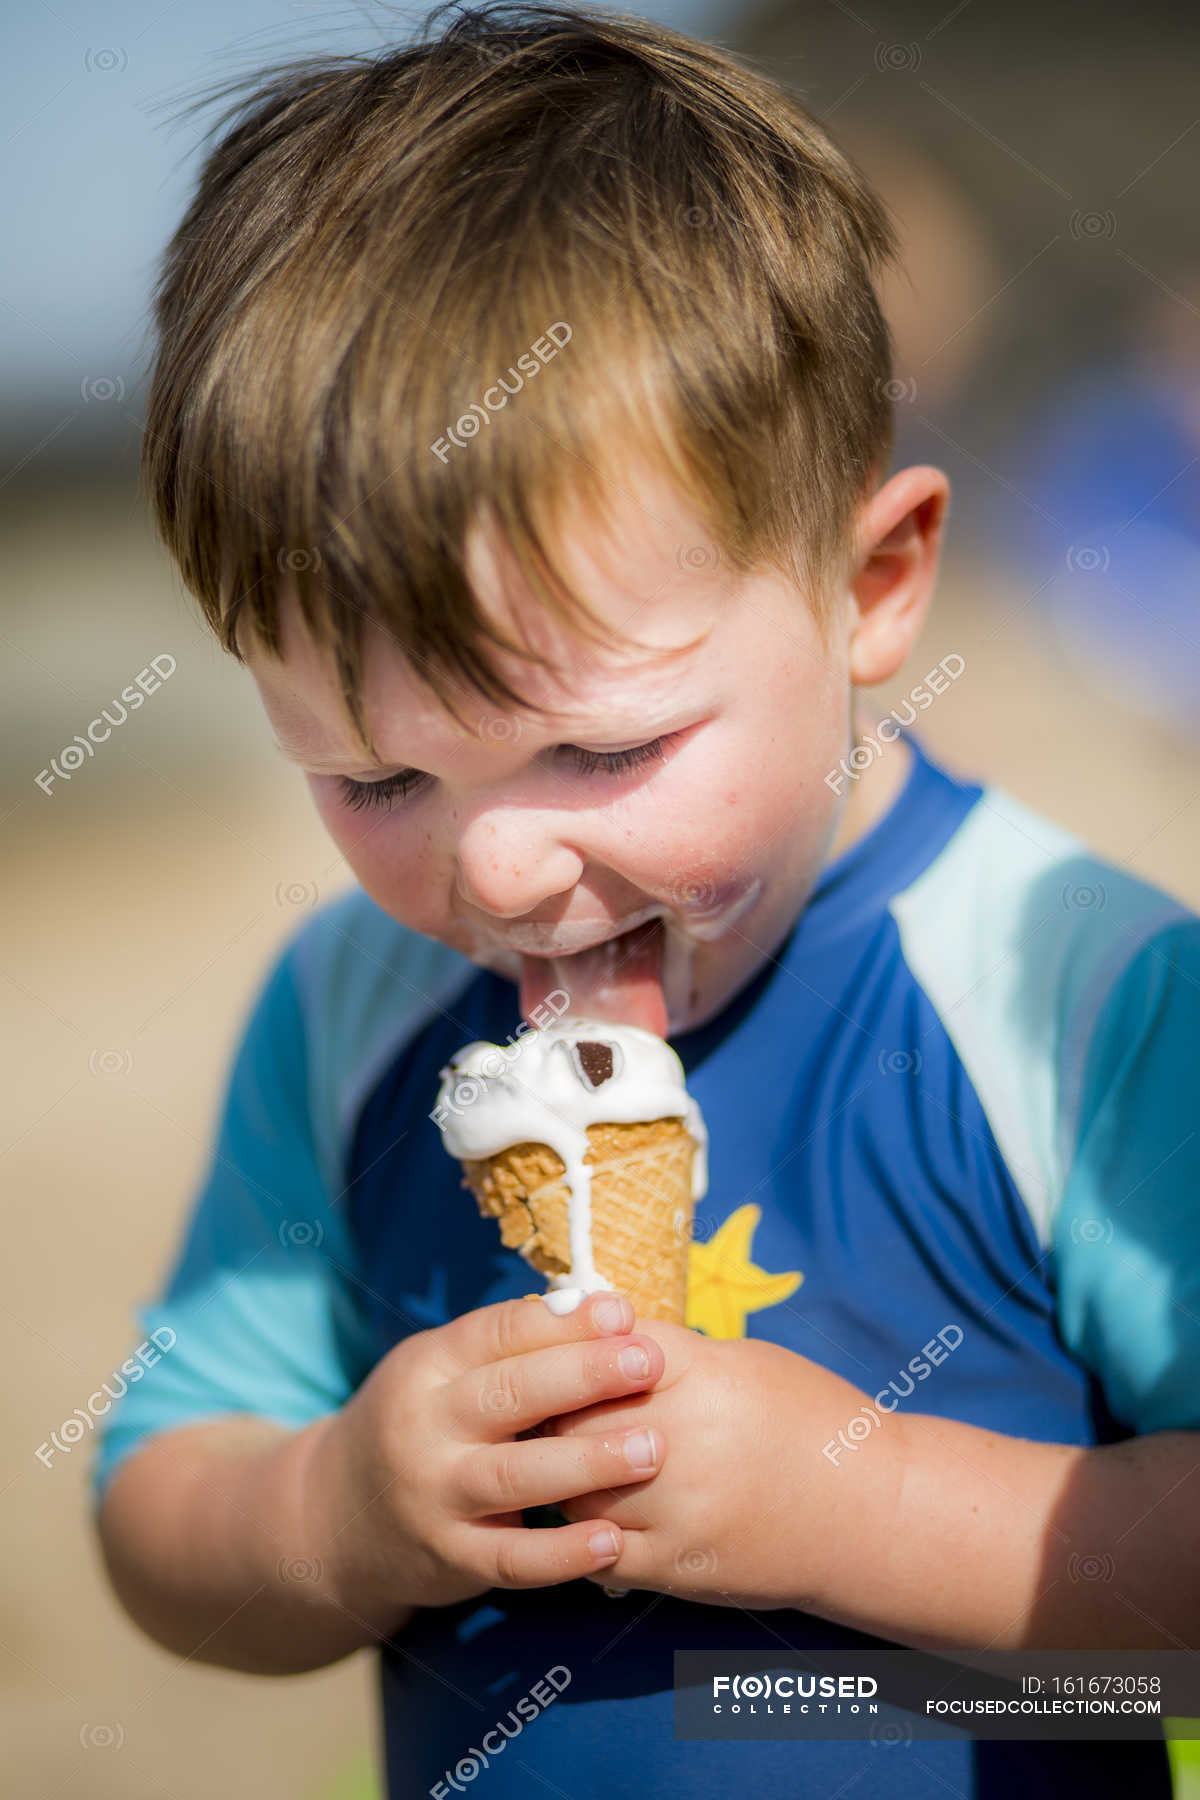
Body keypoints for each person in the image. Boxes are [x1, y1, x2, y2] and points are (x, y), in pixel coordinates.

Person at [91, 6, 1199, 1795]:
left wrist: (851, 1504)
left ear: (875, 586)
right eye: (377, 781)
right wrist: (342, 1509)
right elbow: (159, 1507)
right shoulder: (344, 1016)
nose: (498, 872)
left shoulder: (1082, 994)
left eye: (601, 752)